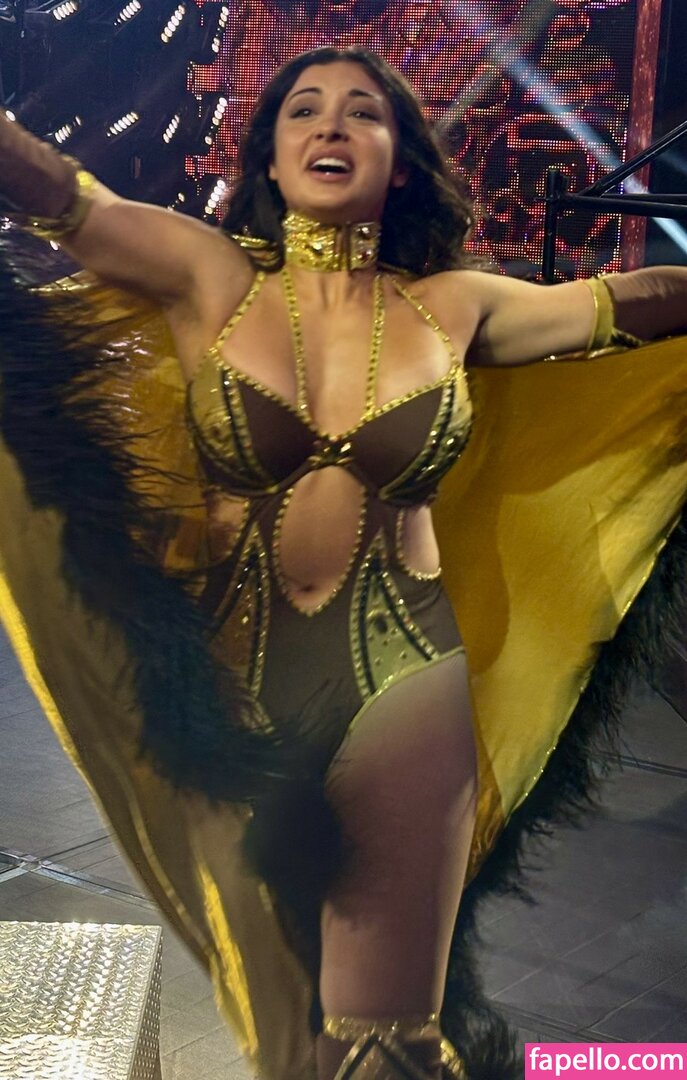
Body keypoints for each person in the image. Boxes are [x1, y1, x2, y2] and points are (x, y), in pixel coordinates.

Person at [0, 45, 686, 1080]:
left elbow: (635, 298)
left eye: (362, 112)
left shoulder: (457, 306)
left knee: (386, 1034)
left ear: (399, 163)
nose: (330, 125)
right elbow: (58, 192)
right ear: (270, 160)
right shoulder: (206, 276)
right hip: (227, 697)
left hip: (407, 679)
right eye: (304, 110)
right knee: (284, 1028)